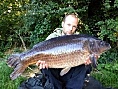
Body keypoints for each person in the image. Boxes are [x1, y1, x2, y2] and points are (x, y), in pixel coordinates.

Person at [36, 13, 94, 89]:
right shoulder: (52, 37)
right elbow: (39, 56)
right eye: (68, 25)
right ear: (62, 24)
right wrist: (39, 64)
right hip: (55, 73)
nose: (71, 29)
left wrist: (88, 62)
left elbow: (90, 63)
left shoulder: (79, 40)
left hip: (70, 73)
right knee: (44, 67)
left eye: (74, 26)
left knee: (86, 66)